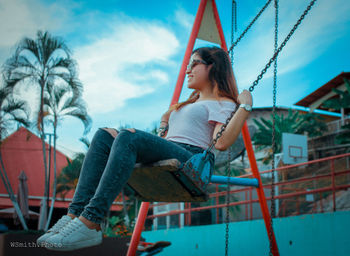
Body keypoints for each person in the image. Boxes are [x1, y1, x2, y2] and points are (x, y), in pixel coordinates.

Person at [37, 46, 253, 251]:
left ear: (212, 67)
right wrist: (165, 123)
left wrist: (244, 106)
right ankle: (74, 216)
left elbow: (222, 142)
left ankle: (91, 220)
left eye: (194, 63)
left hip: (190, 159)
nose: (188, 69)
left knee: (129, 136)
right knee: (104, 135)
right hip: (170, 148)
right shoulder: (189, 103)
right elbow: (166, 138)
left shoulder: (223, 103)